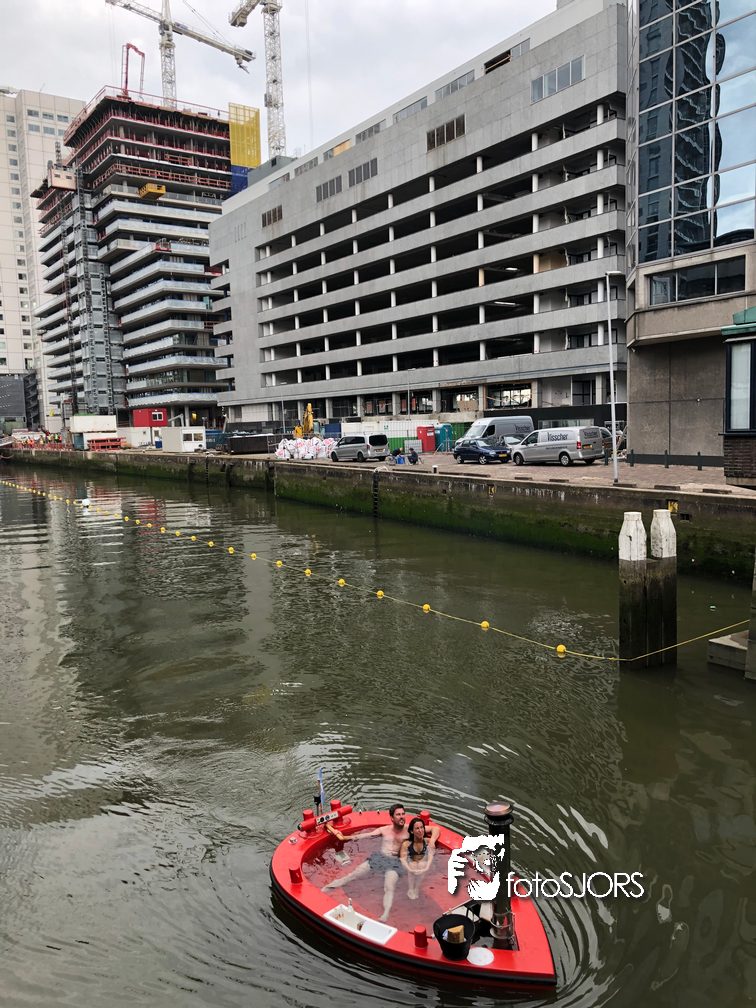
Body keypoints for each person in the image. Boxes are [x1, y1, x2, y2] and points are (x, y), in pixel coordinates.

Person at [400, 816, 434, 900]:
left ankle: (417, 888)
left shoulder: (428, 842)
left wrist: (426, 868)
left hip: (423, 863)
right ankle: (411, 888)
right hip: (411, 863)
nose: (420, 830)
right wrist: (409, 869)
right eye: (417, 828)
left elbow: (431, 856)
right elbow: (403, 859)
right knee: (413, 864)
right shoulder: (406, 844)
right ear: (412, 831)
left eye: (422, 827)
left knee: (422, 864)